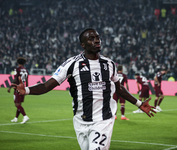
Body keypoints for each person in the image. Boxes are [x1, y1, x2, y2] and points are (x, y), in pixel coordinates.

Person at [12, 28, 156, 150]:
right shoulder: (72, 64)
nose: (97, 40)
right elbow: (47, 85)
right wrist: (27, 90)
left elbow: (119, 88)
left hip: (103, 120)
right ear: (83, 44)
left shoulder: (109, 64)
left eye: (98, 38)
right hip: (80, 121)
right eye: (91, 38)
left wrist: (138, 103)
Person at [8, 57, 29, 124]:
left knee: (17, 104)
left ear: (18, 63)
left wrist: (10, 87)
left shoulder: (17, 69)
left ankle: (25, 116)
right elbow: (27, 80)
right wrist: (26, 88)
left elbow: (16, 79)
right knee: (19, 104)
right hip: (23, 87)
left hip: (18, 88)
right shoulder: (26, 70)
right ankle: (16, 118)